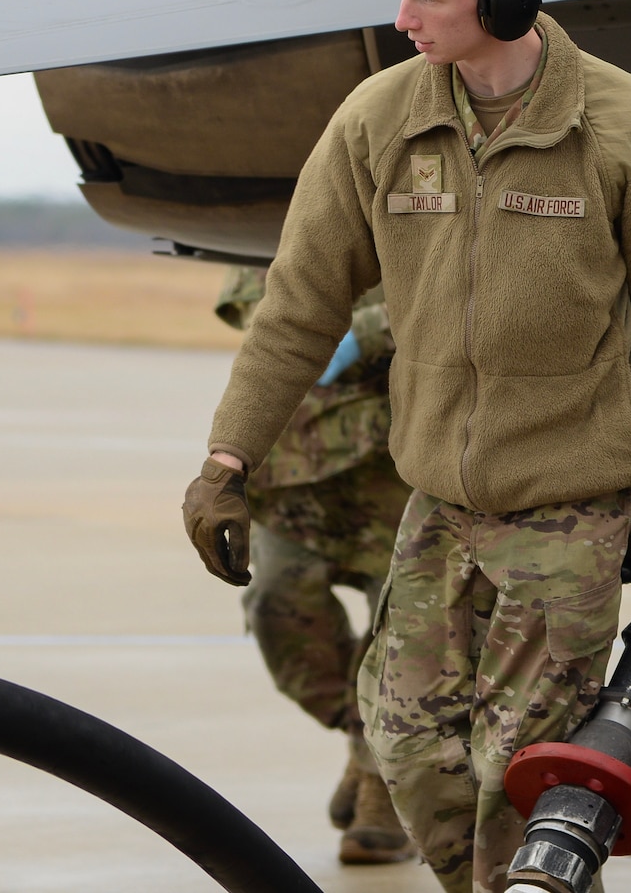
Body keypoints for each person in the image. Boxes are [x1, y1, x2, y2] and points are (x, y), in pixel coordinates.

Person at [182, 0, 631, 893]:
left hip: (570, 506)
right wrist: (227, 460)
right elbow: (297, 305)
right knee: (407, 755)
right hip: (436, 504)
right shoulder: (378, 121)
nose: (401, 19)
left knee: (513, 779)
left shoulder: (622, 128)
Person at [212, 267, 413, 866]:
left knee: (404, 651)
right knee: (279, 612)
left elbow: (467, 302)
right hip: (298, 471)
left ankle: (383, 793)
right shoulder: (287, 195)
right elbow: (268, 319)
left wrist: (366, 333)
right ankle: (363, 738)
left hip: (402, 476)